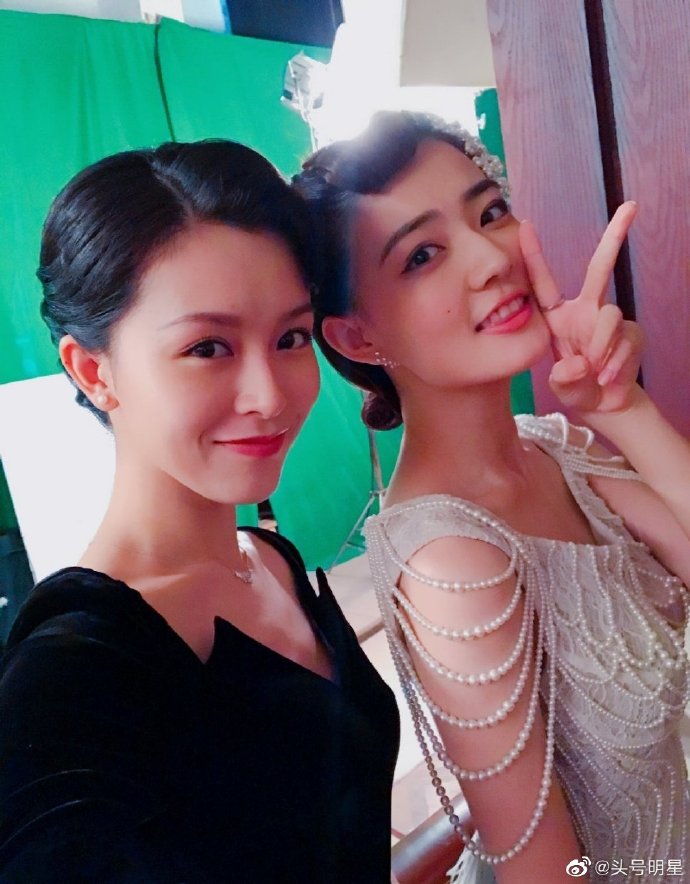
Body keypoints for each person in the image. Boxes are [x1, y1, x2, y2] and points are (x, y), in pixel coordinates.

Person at [293, 111, 690, 883]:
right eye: (422, 255)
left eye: (490, 212)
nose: (490, 259)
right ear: (357, 338)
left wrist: (622, 409)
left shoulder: (550, 445)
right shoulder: (451, 563)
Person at [0, 140, 399, 883]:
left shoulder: (271, 560)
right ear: (93, 370)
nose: (270, 396)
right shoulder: (74, 672)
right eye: (208, 347)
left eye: (290, 337)